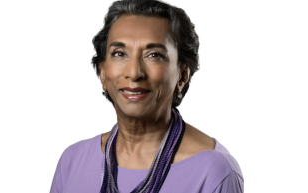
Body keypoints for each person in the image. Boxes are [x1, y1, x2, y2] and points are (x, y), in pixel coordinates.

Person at [50, 0, 244, 192]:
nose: (134, 73)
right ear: (102, 71)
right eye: (119, 53)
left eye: (154, 55)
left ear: (182, 75)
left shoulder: (214, 172)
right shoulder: (72, 162)